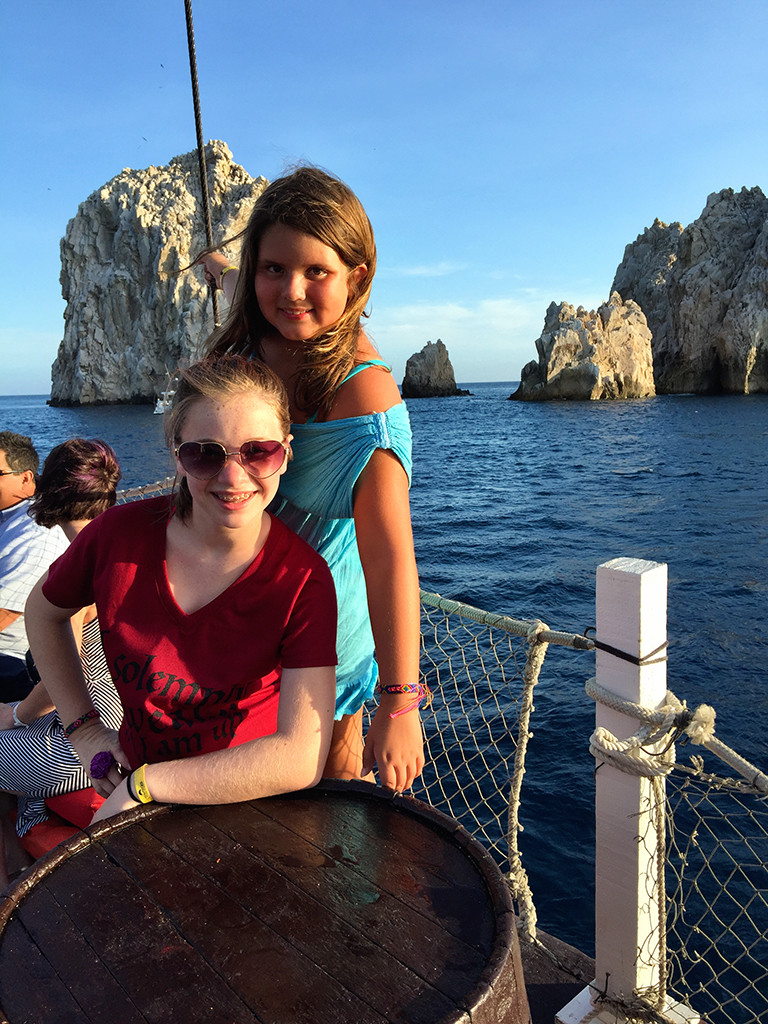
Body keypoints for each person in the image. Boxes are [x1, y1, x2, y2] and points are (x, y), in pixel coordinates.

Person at [25, 356, 337, 824]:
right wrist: (84, 728)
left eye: (258, 451)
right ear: (177, 453)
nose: (233, 477)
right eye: (206, 453)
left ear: (286, 452)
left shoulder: (302, 580)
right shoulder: (118, 536)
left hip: (243, 805)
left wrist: (146, 786)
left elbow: (301, 754)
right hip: (133, 792)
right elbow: (43, 612)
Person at [197, 166, 425, 792]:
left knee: (326, 803)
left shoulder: (366, 405)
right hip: (234, 613)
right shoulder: (246, 350)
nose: (292, 290)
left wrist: (400, 701)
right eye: (273, 269)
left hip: (325, 633)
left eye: (315, 272)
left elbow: (390, 559)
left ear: (357, 278)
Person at [0, 439, 124, 884]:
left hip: (83, 745)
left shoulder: (75, 569)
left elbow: (60, 686)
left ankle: (17, 861)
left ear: (46, 490)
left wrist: (13, 715)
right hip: (133, 732)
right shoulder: (133, 545)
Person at [0, 431, 68, 701]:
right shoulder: (11, 516)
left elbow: (3, 615)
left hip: (11, 663)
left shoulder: (37, 531)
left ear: (26, 477)